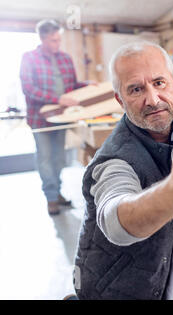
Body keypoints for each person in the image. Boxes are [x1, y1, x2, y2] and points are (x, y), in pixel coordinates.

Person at [73, 41, 173, 300]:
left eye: (159, 83)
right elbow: (115, 220)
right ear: (120, 99)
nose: (153, 99)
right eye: (136, 89)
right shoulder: (114, 159)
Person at [20, 19, 90, 215]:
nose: (57, 44)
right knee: (45, 158)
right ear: (42, 38)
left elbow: (72, 86)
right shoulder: (29, 58)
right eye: (53, 40)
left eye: (58, 40)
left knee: (59, 159)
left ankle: (56, 192)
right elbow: (29, 88)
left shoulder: (65, 58)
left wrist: (86, 85)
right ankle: (51, 198)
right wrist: (58, 99)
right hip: (39, 120)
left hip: (61, 119)